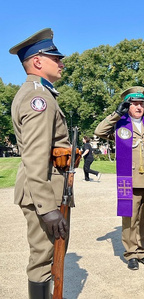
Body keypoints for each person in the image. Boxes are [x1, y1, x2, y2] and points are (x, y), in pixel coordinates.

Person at [10, 28, 71, 298]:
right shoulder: (40, 99)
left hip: (45, 189)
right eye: (55, 58)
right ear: (37, 61)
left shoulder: (40, 94)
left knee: (47, 257)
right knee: (43, 260)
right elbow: (34, 158)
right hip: (42, 193)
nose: (61, 62)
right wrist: (47, 208)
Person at [95, 86, 144, 270]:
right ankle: (131, 253)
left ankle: (143, 251)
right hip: (130, 178)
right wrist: (116, 114)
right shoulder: (120, 124)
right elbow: (99, 131)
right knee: (130, 217)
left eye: (141, 103)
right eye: (134, 103)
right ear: (128, 105)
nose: (139, 107)